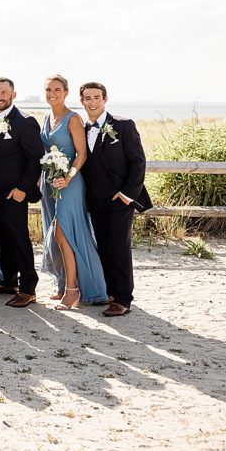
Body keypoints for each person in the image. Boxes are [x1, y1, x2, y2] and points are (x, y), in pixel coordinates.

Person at [79, 81, 152, 317]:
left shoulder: (122, 125)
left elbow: (138, 162)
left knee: (119, 247)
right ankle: (109, 293)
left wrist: (127, 195)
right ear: (81, 101)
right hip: (95, 200)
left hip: (120, 199)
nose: (92, 102)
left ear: (104, 99)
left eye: (96, 97)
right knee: (104, 247)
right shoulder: (81, 128)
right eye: (87, 98)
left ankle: (122, 299)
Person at [38, 75, 109, 309]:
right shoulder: (47, 117)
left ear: (66, 92)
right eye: (48, 89)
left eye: (57, 89)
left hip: (70, 183)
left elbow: (82, 154)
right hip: (50, 183)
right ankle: (64, 284)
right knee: (55, 234)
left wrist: (67, 177)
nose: (52, 93)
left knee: (64, 233)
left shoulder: (73, 118)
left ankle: (73, 292)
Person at [0, 77, 45, 308]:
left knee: (19, 240)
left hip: (14, 194)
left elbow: (35, 159)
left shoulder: (25, 122)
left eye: (3, 92)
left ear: (13, 95)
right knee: (0, 239)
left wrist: (22, 190)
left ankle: (28, 289)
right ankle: (8, 281)